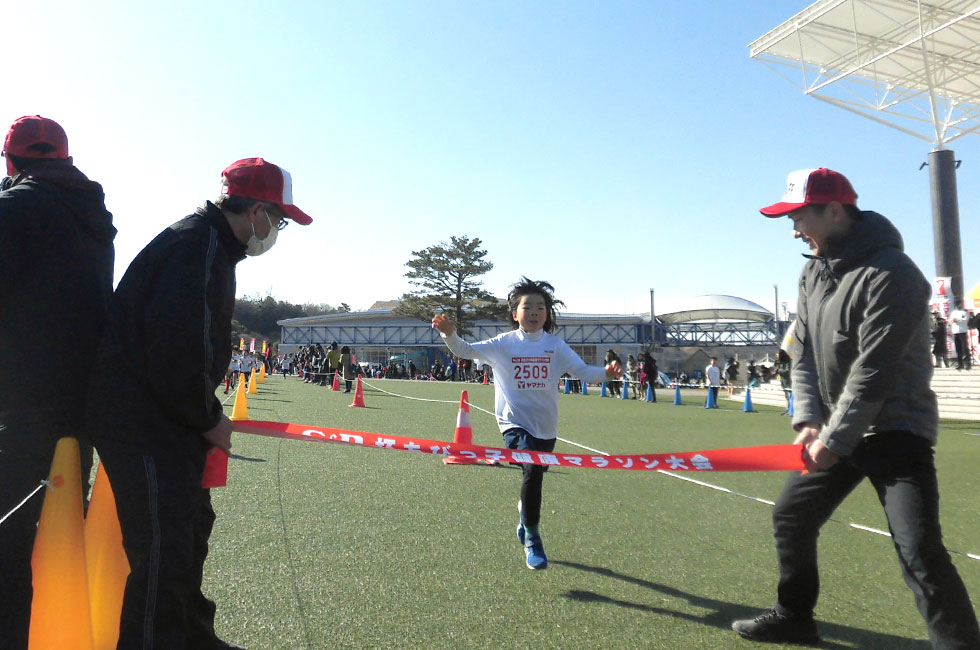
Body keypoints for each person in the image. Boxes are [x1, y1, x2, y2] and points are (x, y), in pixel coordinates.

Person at [731, 168, 980, 647]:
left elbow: (875, 371)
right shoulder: (812, 270)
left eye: (799, 216)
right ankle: (794, 616)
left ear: (835, 211)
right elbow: (800, 348)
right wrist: (807, 418)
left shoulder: (894, 274)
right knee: (791, 516)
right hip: (833, 431)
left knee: (919, 550)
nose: (793, 230)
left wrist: (833, 439)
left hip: (895, 432)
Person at [86, 157, 312, 649]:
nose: (276, 231)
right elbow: (179, 345)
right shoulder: (197, 247)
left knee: (189, 530)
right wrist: (208, 419)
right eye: (278, 220)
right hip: (140, 417)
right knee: (163, 551)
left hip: (164, 415)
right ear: (255, 210)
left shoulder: (209, 246)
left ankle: (192, 636)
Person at [0, 115, 116, 649]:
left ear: (13, 162)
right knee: (60, 538)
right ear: (64, 160)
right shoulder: (93, 217)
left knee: (9, 552)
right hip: (78, 412)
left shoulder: (17, 208)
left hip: (20, 410)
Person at [432, 278, 622, 570]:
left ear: (547, 314)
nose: (534, 311)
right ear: (514, 314)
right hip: (513, 424)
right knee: (532, 470)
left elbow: (583, 371)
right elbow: (466, 351)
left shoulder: (556, 346)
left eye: (540, 307)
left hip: (546, 427)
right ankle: (533, 538)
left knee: (535, 477)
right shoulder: (503, 344)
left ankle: (524, 515)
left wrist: (606, 374)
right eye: (527, 306)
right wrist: (448, 334)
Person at [949, 299, 972, 370]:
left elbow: (965, 319)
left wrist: (957, 319)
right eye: (956, 304)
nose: (957, 305)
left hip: (962, 331)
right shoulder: (953, 312)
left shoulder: (965, 311)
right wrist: (953, 320)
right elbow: (950, 320)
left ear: (961, 304)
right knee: (958, 349)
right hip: (956, 332)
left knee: (965, 348)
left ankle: (968, 364)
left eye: (958, 304)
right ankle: (960, 364)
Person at [775, 349, 792, 415]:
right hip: (783, 381)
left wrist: (779, 371)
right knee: (787, 397)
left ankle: (790, 409)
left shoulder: (788, 362)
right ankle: (787, 409)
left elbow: (787, 371)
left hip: (789, 382)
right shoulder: (780, 362)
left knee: (790, 396)